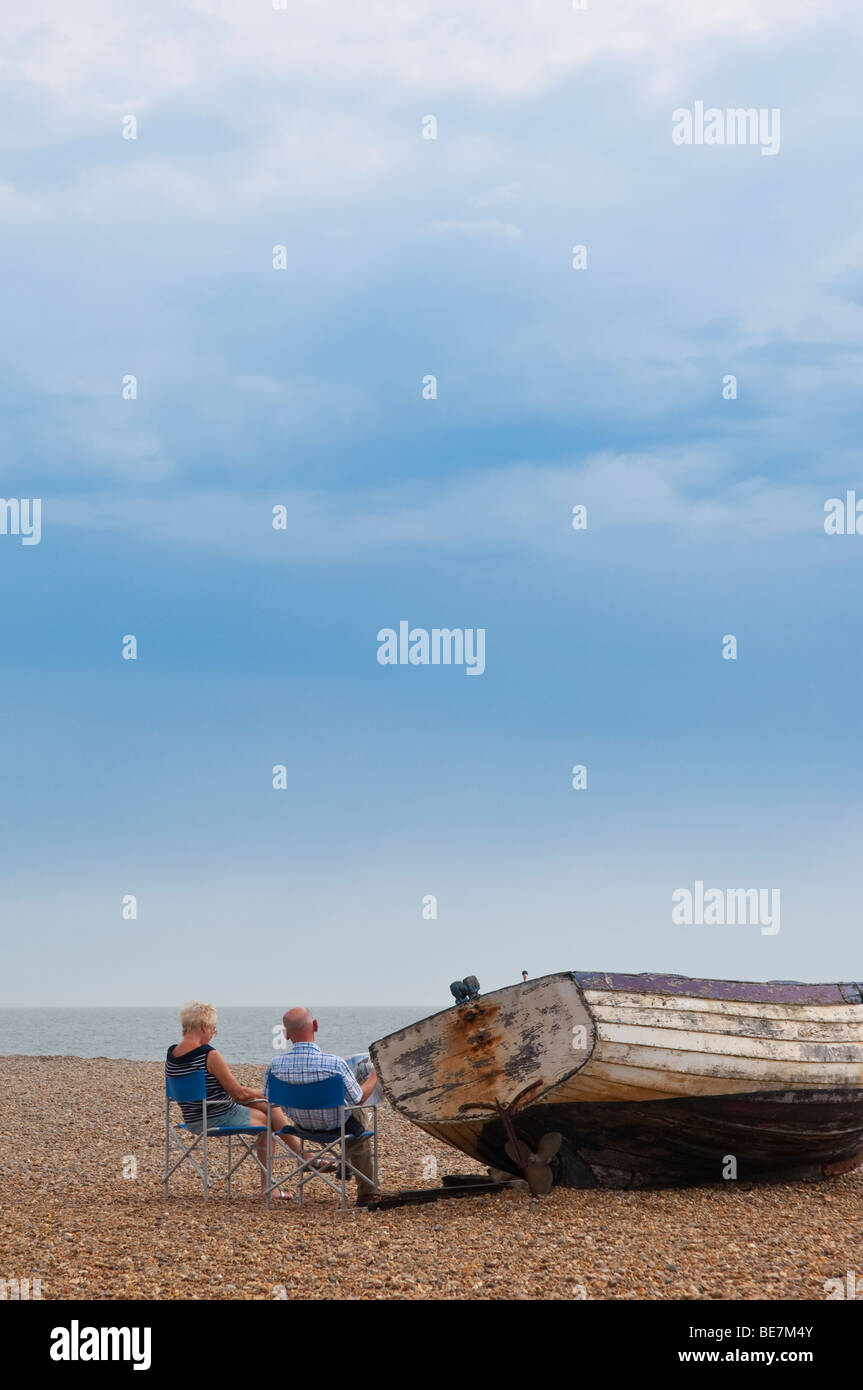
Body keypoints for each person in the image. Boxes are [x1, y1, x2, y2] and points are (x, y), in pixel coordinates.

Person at [166, 1001, 301, 1199]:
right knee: (270, 1119)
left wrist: (259, 1096)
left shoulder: (172, 1054)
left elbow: (228, 1093)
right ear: (204, 1026)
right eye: (213, 1029)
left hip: (192, 1117)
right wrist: (262, 1092)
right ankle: (274, 1182)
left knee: (268, 1105)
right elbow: (238, 1094)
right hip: (215, 1116)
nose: (213, 1033)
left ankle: (303, 1157)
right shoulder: (209, 1055)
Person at [264, 1006, 379, 1206]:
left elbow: (270, 1099)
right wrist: (374, 1077)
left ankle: (347, 1163)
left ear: (286, 1034)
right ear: (315, 1026)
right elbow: (358, 1098)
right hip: (337, 1127)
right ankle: (367, 1193)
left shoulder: (275, 1065)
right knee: (358, 1117)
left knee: (347, 1112)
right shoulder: (334, 1064)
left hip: (301, 1128)